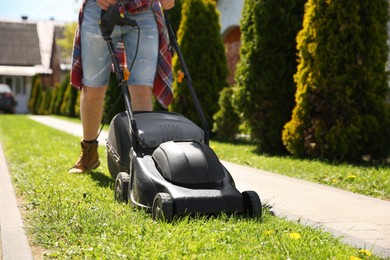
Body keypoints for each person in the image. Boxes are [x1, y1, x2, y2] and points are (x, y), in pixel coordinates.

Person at [68, 0, 175, 173]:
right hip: (100, 7)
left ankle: (144, 158)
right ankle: (89, 153)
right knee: (93, 87)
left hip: (144, 9)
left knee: (142, 88)